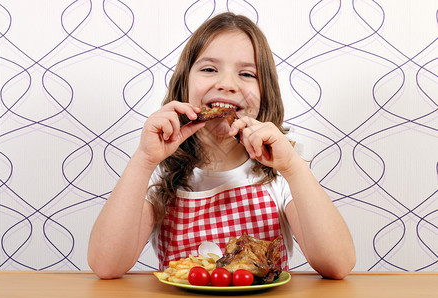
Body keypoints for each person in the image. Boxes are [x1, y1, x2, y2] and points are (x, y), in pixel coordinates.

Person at [87, 12, 355, 280]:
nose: (227, 84)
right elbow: (106, 265)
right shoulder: (161, 172)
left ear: (265, 94)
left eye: (247, 73)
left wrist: (294, 167)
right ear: (184, 84)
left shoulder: (279, 173)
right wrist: (144, 160)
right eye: (209, 69)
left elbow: (337, 264)